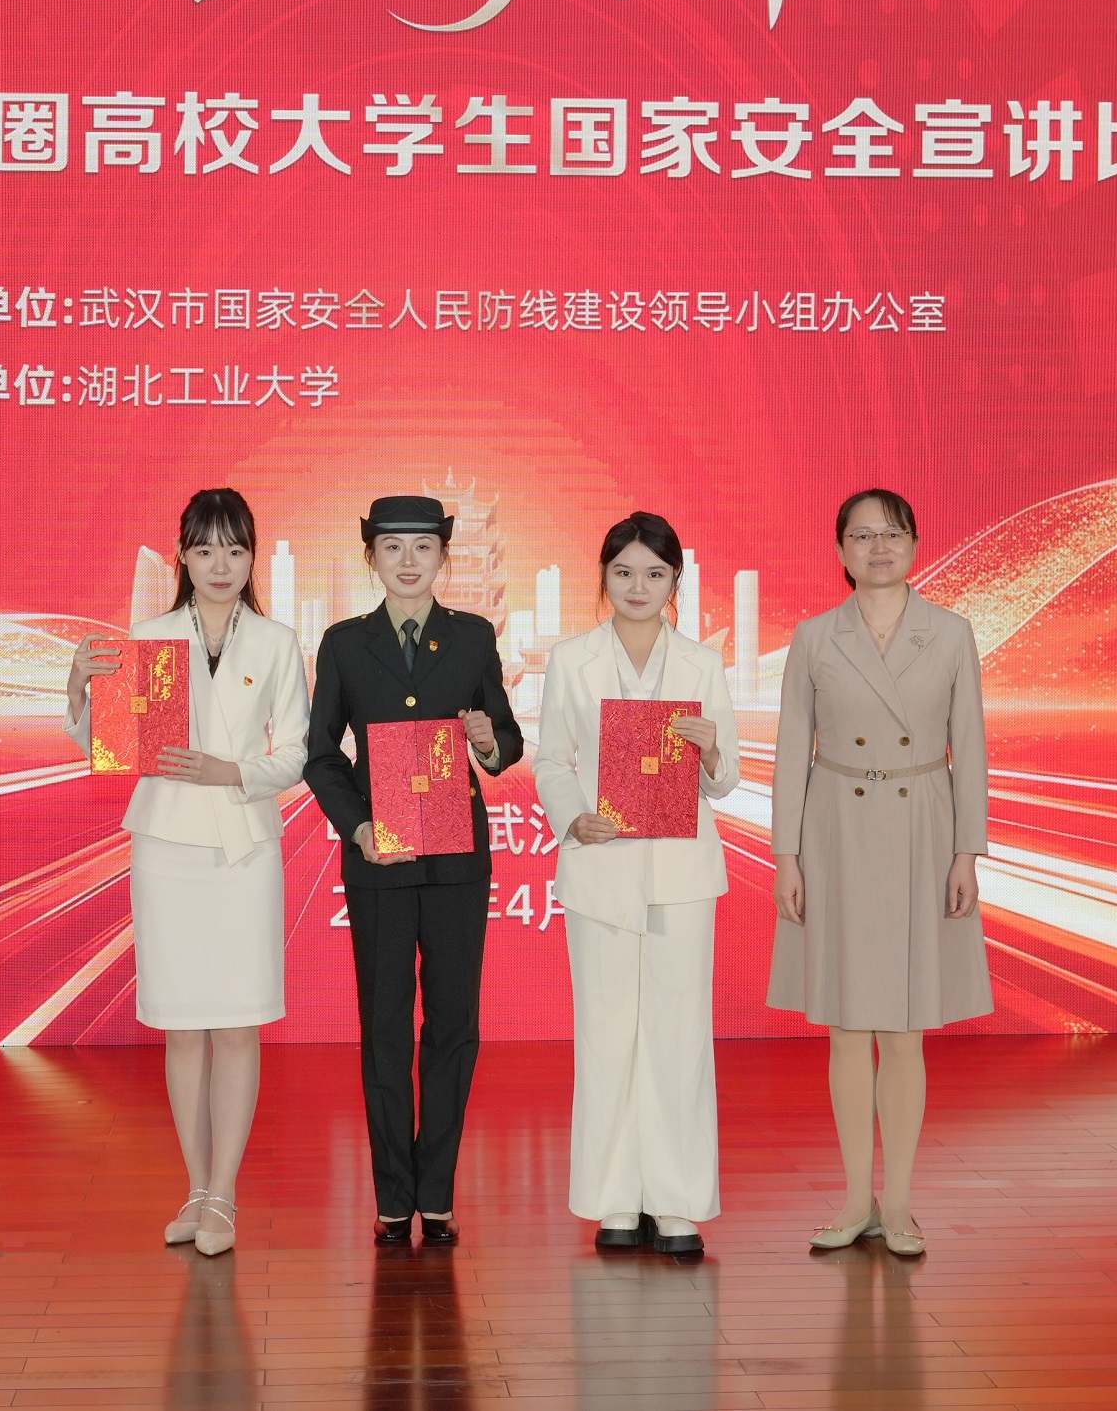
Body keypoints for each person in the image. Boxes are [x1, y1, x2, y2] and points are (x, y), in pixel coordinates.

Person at [67, 488, 308, 1258]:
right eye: (205, 549)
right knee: (181, 1029)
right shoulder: (149, 637)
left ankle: (225, 1195)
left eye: (235, 549)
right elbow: (112, 746)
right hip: (167, 847)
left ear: (252, 557)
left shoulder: (276, 642)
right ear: (182, 555)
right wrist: (78, 686)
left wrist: (229, 770)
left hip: (242, 848)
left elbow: (297, 754)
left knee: (236, 1026)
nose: (220, 565)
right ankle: (196, 1189)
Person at [766, 487, 992, 1257]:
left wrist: (967, 852)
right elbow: (791, 751)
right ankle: (854, 1199)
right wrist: (787, 856)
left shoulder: (951, 633)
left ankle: (898, 1204)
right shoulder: (814, 638)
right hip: (836, 829)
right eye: (862, 536)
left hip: (922, 827)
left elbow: (971, 748)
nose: (879, 547)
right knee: (846, 1026)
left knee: (903, 1030)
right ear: (840, 552)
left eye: (892, 533)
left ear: (916, 543)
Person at [303, 494, 524, 1246]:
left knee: (454, 1025)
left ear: (443, 557)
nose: (407, 561)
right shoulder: (344, 643)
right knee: (386, 1026)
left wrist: (487, 740)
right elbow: (321, 755)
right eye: (392, 547)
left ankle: (439, 1192)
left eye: (423, 547)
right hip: (381, 859)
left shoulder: (473, 638)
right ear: (371, 556)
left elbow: (505, 742)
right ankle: (394, 1197)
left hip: (457, 859)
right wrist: (359, 826)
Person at [532, 511, 741, 1257]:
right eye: (624, 572)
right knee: (607, 1031)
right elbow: (552, 758)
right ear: (604, 577)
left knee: (679, 1035)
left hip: (681, 872)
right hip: (602, 864)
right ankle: (615, 1200)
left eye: (655, 573)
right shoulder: (573, 660)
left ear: (675, 581)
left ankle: (675, 1203)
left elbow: (725, 780)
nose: (638, 586)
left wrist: (711, 753)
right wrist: (574, 816)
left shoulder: (701, 664)